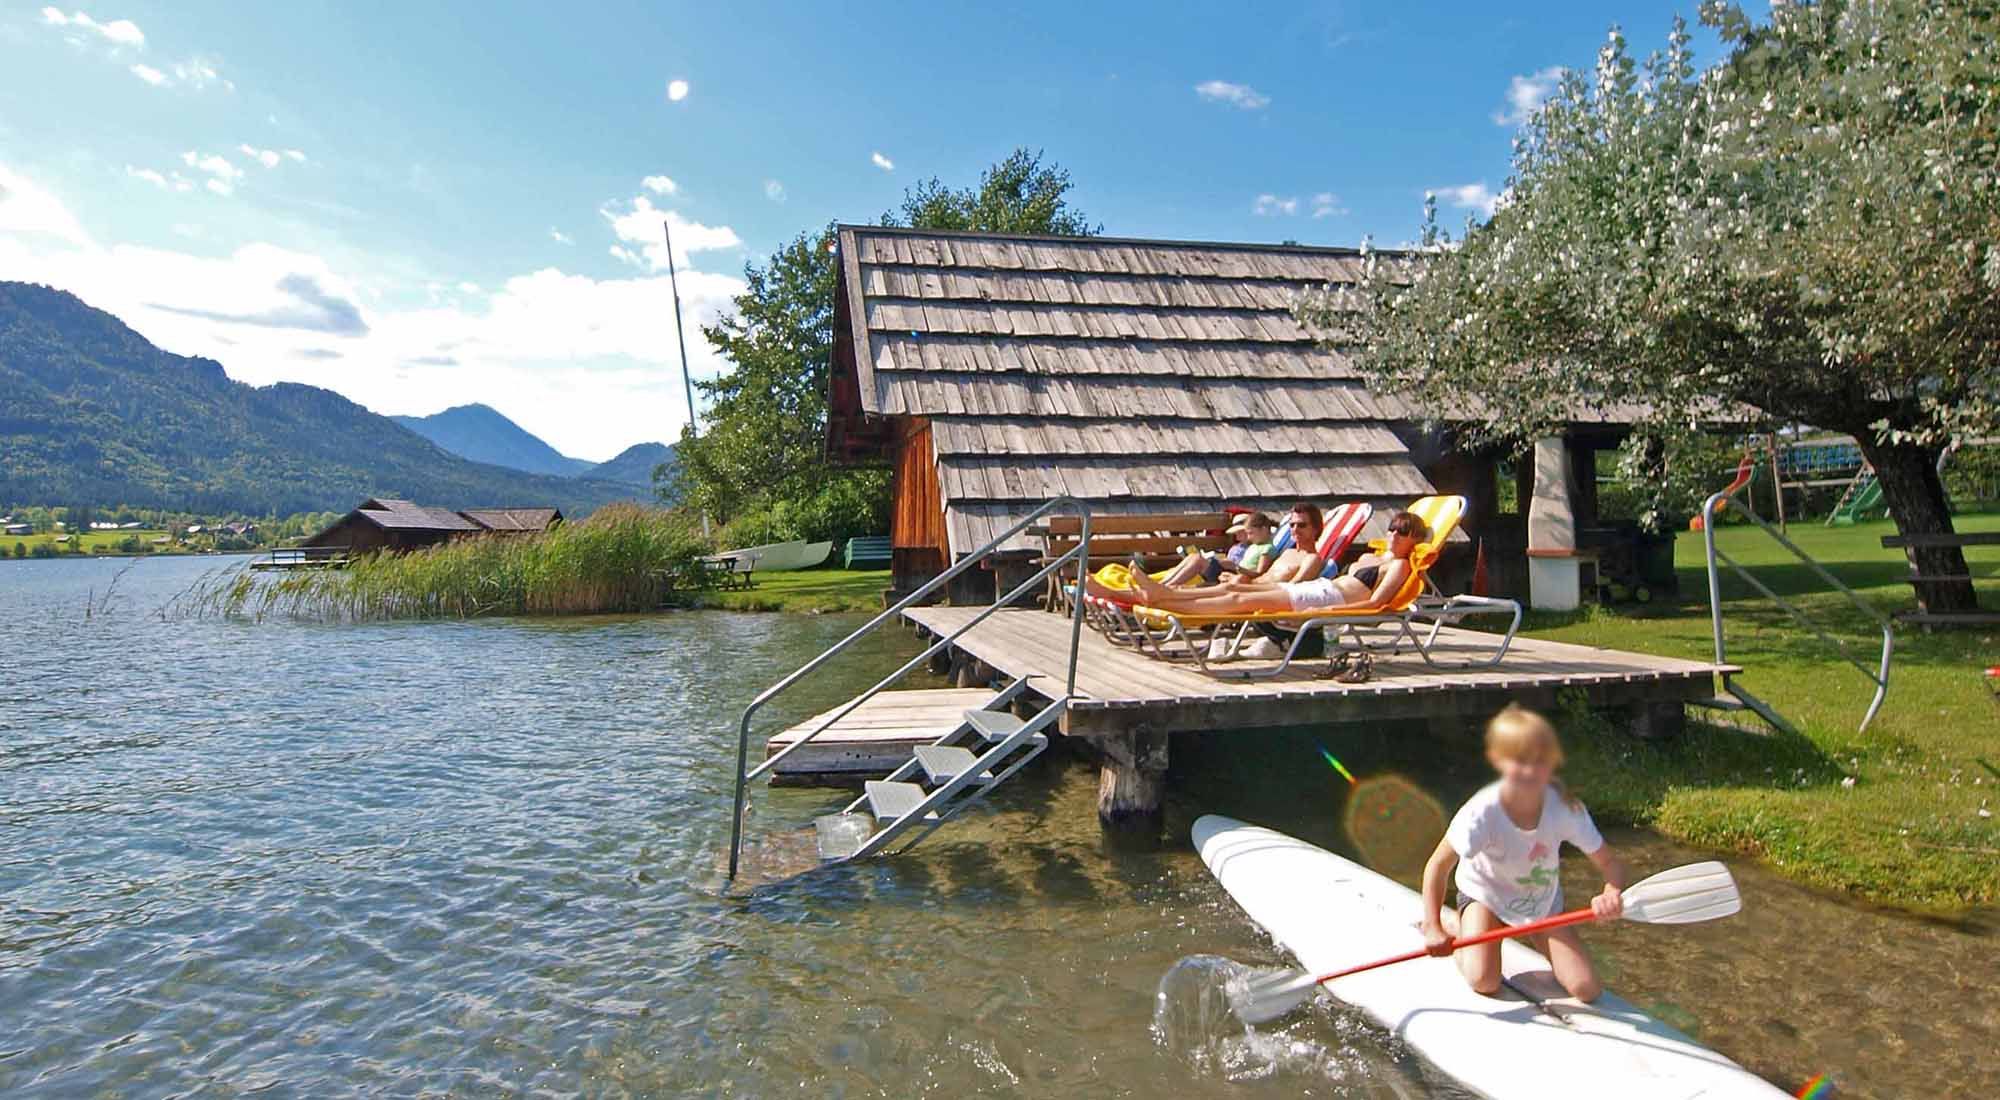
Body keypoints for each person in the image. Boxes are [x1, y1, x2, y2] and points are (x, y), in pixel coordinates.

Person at [1418, 705, 1630, 1003]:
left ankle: (1497, 933)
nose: (1530, 771)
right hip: (1485, 897)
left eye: (1540, 761)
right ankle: (1461, 927)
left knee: (1587, 989)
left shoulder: (1566, 809)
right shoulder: (1482, 812)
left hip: (1539, 904)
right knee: (1484, 981)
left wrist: (1612, 892)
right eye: (1520, 761)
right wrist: (1433, 927)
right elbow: (1437, 867)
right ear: (1499, 761)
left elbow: (1611, 863)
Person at [1086, 507, 1427, 617]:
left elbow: (1377, 604)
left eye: (1404, 532)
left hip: (1323, 599)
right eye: (1394, 529)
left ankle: (1158, 596)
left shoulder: (1397, 566)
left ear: (1415, 538)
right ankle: (1154, 594)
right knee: (1222, 595)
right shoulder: (1378, 555)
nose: (1395, 535)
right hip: (1321, 590)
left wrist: (1328, 613)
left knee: (1234, 600)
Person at [1157, 511, 1277, 587]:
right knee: (1194, 557)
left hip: (1235, 576)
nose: (1249, 537)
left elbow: (1260, 574)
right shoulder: (1255, 545)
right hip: (1232, 571)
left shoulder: (1267, 548)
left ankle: (1165, 587)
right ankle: (1162, 585)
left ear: (1264, 529)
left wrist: (1236, 567)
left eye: (1251, 533)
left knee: (1198, 560)